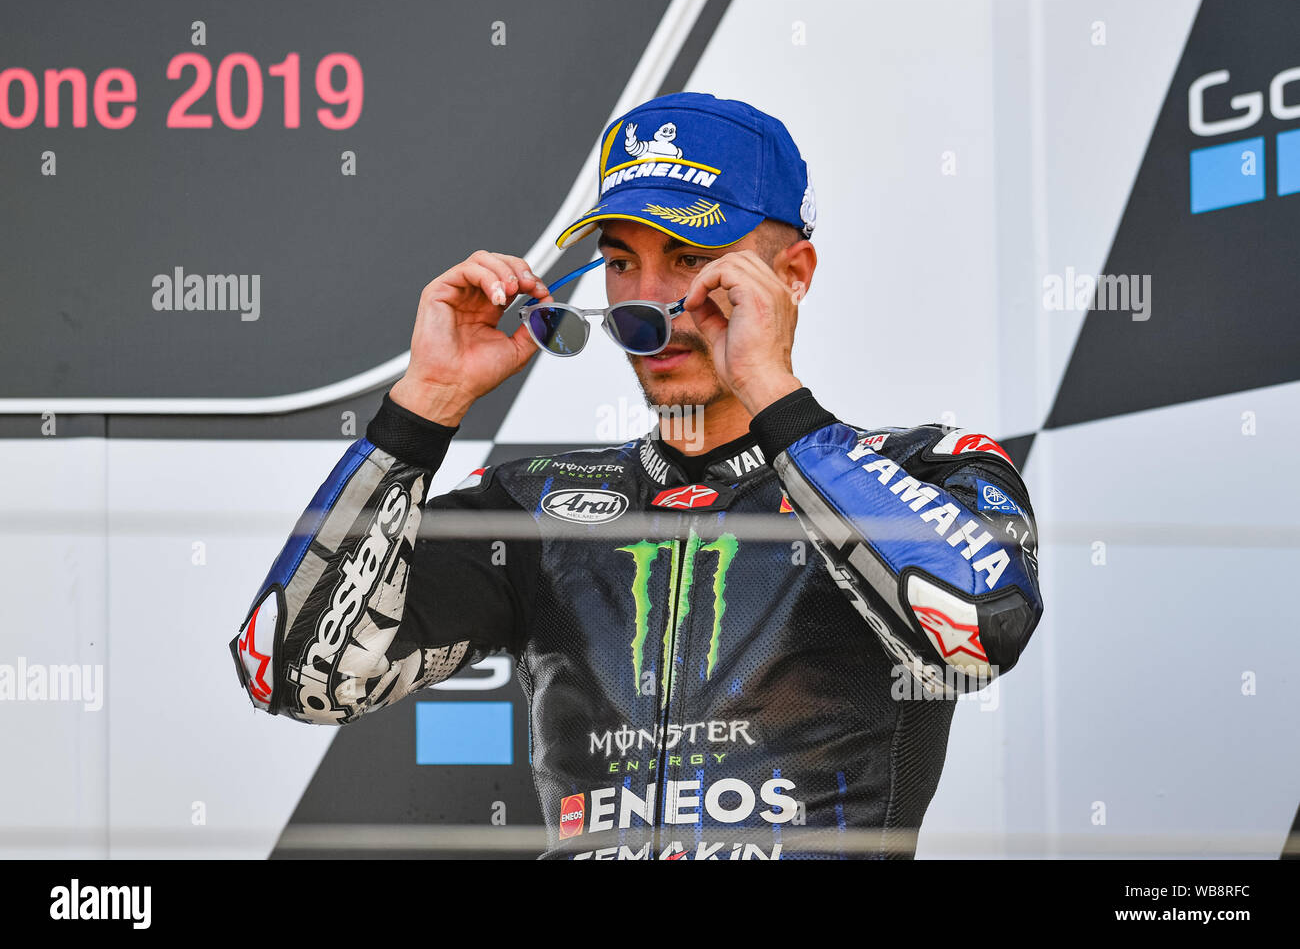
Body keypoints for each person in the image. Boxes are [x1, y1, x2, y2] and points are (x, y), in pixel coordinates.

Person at [229, 92, 1044, 860]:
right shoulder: (536, 506)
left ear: (794, 273)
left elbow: (978, 630)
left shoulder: (925, 469)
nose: (649, 306)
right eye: (622, 263)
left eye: (689, 257)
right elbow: (293, 673)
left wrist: (776, 397)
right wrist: (420, 412)